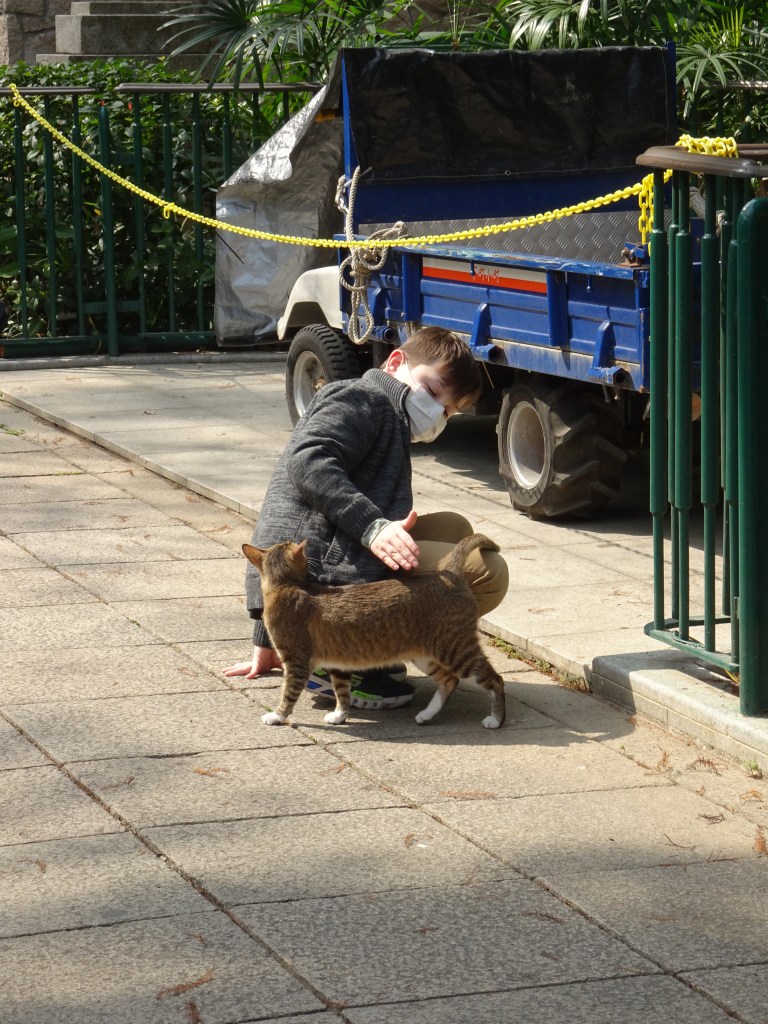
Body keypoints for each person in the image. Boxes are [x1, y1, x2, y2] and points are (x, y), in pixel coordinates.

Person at [223, 326, 509, 708]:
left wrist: (271, 640)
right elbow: (307, 463)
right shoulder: (361, 398)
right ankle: (346, 661)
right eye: (433, 391)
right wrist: (373, 528)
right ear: (395, 362)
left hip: (334, 551)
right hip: (323, 572)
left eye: (447, 411)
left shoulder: (388, 413)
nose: (436, 412)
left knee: (455, 530)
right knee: (486, 571)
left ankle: (398, 647)